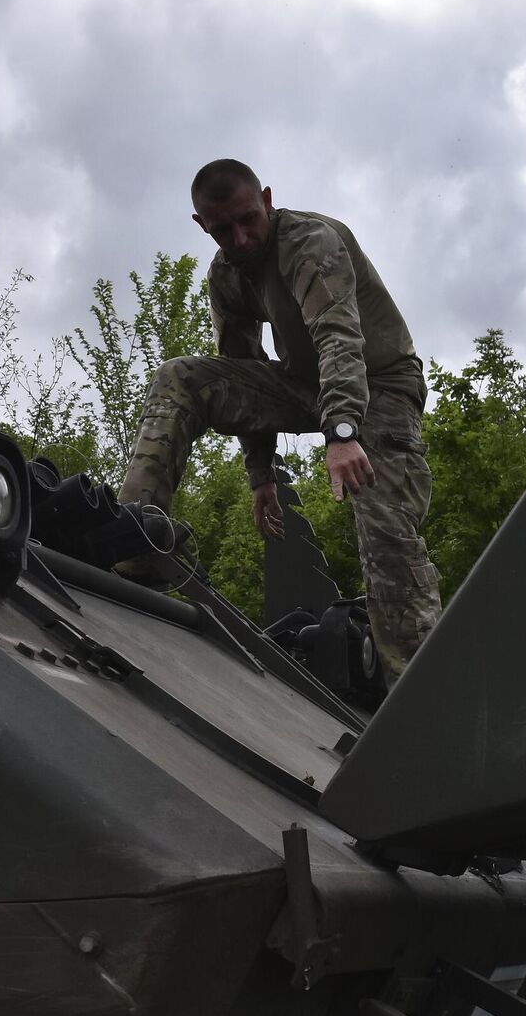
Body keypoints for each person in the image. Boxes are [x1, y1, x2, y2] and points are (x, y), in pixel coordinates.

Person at [116, 159, 441, 682]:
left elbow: (339, 337)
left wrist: (341, 432)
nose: (241, 238)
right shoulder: (226, 276)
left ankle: (419, 684)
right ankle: (135, 543)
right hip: (302, 384)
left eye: (249, 219)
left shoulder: (311, 242)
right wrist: (260, 475)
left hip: (380, 387)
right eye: (223, 230)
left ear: (267, 199)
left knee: (383, 527)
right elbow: (242, 375)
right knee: (183, 377)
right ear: (202, 226)